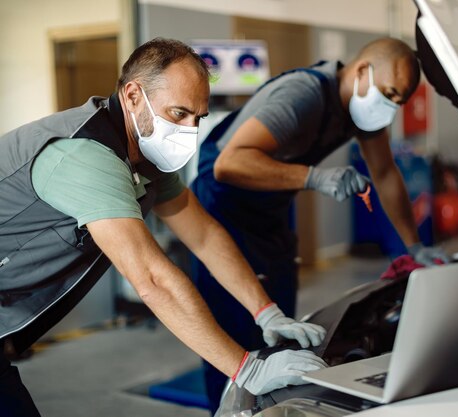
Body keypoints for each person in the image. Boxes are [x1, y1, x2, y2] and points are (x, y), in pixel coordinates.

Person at [0, 38, 327, 417]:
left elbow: (203, 234)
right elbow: (152, 280)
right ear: (134, 96)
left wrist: (266, 311)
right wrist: (246, 368)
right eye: (178, 113)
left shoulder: (144, 156)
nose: (189, 130)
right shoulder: (82, 155)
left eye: (198, 118)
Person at [191, 37, 449, 411]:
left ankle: (273, 409)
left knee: (282, 328)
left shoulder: (362, 111)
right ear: (362, 71)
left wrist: (415, 246)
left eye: (399, 101)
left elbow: (386, 174)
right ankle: (228, 409)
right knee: (235, 334)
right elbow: (228, 165)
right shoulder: (303, 95)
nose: (391, 108)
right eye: (389, 94)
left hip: (271, 212)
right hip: (223, 208)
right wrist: (316, 178)